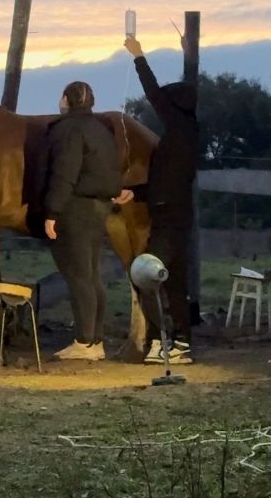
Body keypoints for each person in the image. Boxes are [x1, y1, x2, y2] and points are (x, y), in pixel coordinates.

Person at [120, 36, 198, 364]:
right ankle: (181, 344)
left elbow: (153, 93)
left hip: (169, 220)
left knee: (145, 274)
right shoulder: (186, 131)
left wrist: (139, 57)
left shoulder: (179, 128)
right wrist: (135, 193)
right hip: (176, 216)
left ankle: (157, 340)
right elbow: (166, 185)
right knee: (174, 280)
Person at [42, 81, 122, 361]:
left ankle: (84, 341)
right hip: (100, 208)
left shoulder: (67, 130)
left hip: (75, 209)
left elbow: (64, 173)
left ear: (66, 100)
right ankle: (96, 340)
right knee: (92, 275)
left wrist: (51, 212)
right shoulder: (102, 130)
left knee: (78, 276)